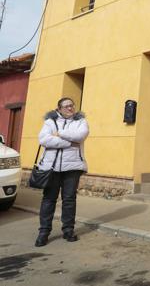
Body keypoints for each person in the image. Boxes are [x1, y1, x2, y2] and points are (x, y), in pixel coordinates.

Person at [35, 97, 89, 247]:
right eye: (66, 106)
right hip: (51, 168)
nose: (70, 108)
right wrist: (69, 143)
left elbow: (80, 136)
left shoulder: (81, 122)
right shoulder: (50, 122)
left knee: (69, 200)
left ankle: (68, 230)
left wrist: (60, 134)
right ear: (58, 109)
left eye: (72, 105)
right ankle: (44, 232)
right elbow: (44, 140)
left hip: (72, 167)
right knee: (48, 200)